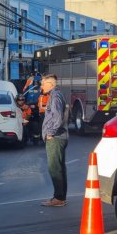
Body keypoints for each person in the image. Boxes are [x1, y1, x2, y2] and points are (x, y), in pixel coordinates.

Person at [40, 74, 69, 207]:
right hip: (60, 136)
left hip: (56, 137)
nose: (41, 86)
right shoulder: (56, 94)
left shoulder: (55, 96)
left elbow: (57, 117)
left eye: (43, 84)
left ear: (50, 84)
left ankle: (59, 198)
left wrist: (50, 133)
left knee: (55, 168)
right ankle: (60, 197)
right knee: (59, 168)